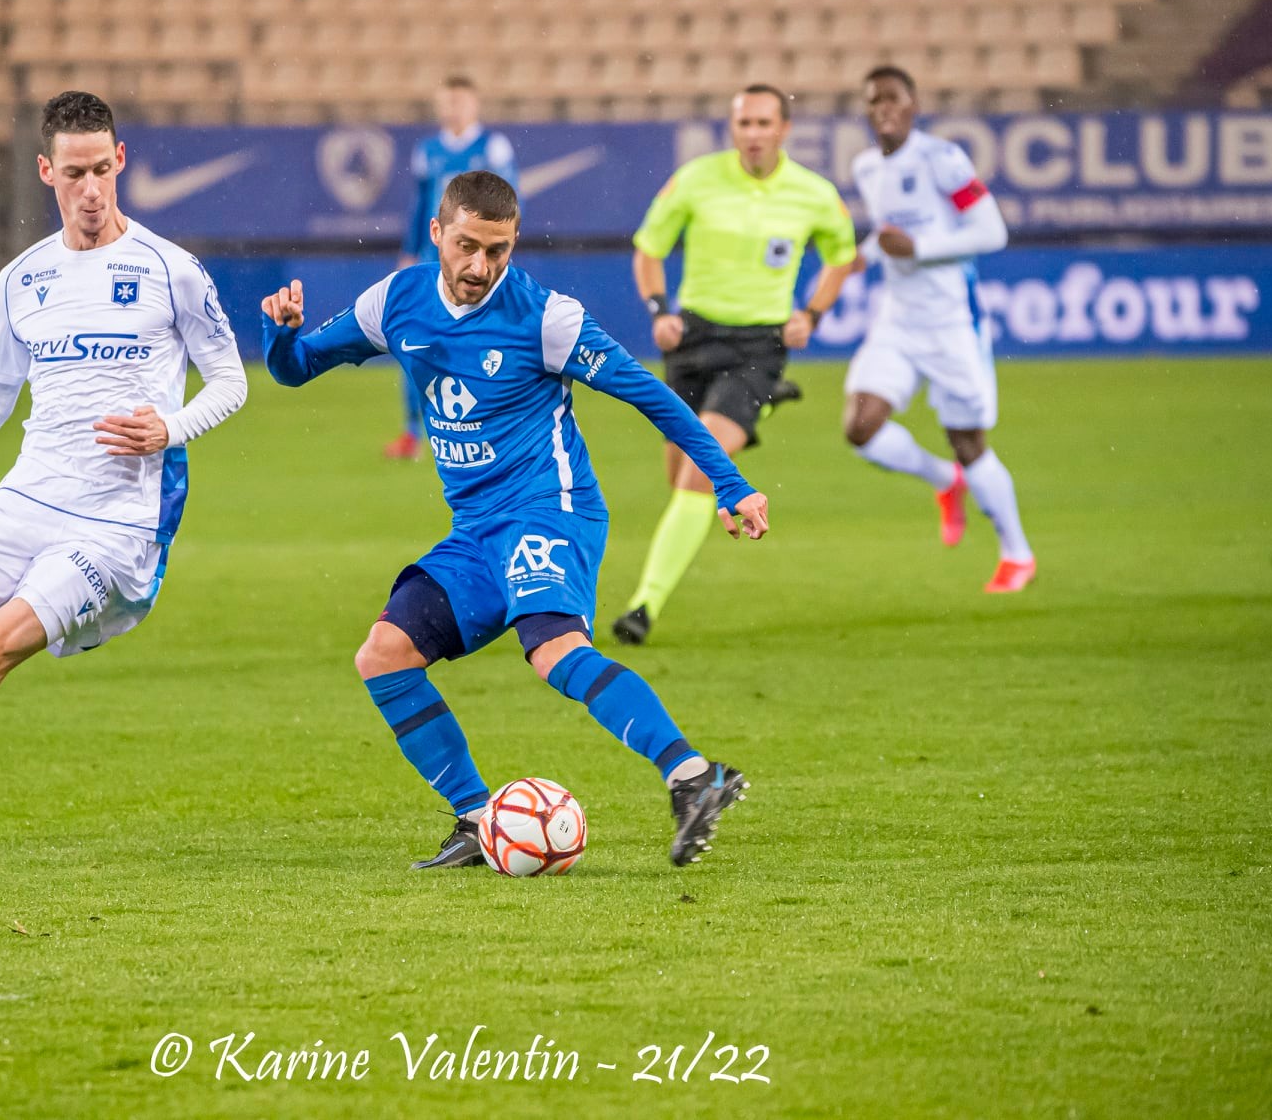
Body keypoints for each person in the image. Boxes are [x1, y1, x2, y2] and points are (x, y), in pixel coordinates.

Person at [263, 171, 768, 869]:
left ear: (514, 243)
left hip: (550, 510)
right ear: (436, 234)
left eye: (497, 251)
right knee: (384, 657)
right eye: (466, 246)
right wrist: (279, 335)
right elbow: (295, 370)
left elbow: (651, 395)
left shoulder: (546, 317)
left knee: (552, 651)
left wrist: (730, 483)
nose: (480, 267)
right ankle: (478, 820)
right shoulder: (397, 300)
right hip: (475, 532)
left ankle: (694, 777)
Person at [0, 92, 248, 863]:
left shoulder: (171, 270)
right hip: (27, 499)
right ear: (45, 173)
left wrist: (170, 425)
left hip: (117, 522)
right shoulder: (23, 279)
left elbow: (230, 381)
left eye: (102, 170)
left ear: (121, 161)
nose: (90, 190)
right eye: (73, 174)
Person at [612, 84, 857, 646]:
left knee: (701, 474)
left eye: (763, 123)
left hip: (759, 346)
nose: (753, 134)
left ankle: (643, 606)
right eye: (743, 123)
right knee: (679, 474)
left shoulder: (814, 193)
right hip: (694, 341)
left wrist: (813, 313)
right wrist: (658, 311)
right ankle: (760, 410)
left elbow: (843, 255)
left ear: (784, 129)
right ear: (733, 128)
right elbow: (649, 247)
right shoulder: (696, 179)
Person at [828, 66, 1034, 593]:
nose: (884, 109)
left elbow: (992, 231)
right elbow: (891, 233)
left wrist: (919, 251)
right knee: (859, 428)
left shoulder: (942, 159)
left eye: (893, 98)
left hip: (949, 325)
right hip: (897, 320)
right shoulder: (868, 167)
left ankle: (1017, 554)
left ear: (913, 103)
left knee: (969, 440)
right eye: (874, 101)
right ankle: (945, 481)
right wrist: (863, 257)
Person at [387, 75, 518, 460]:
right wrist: (409, 252)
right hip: (434, 262)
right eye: (447, 102)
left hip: (478, 265)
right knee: (414, 339)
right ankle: (413, 433)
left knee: (485, 343)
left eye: (459, 102)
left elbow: (511, 204)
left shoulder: (492, 148)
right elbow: (419, 206)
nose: (453, 109)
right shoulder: (427, 151)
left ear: (474, 105)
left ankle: (491, 425)